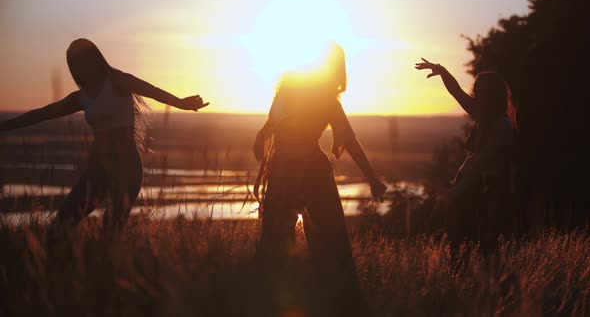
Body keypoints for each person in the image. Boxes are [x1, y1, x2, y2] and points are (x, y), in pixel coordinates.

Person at [0, 38, 209, 236]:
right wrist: (6, 125)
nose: (82, 67)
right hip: (97, 168)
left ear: (96, 59)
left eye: (85, 61)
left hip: (127, 165)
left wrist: (182, 103)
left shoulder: (117, 81)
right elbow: (43, 113)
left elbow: (151, 91)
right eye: (76, 64)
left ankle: (110, 269)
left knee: (111, 228)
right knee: (62, 224)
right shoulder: (80, 97)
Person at [253, 42, 387, 316]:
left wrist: (267, 151)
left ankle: (286, 298)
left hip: (292, 170)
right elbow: (348, 140)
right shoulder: (320, 96)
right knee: (329, 241)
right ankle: (332, 300)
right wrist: (372, 178)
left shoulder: (291, 89)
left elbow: (268, 131)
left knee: (279, 239)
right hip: (307, 170)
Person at [415, 58, 517, 252]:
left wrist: (457, 191)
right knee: (458, 243)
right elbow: (456, 91)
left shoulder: (502, 125)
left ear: (493, 94)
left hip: (486, 189)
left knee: (483, 244)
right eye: (475, 89)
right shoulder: (481, 114)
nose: (475, 94)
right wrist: (442, 70)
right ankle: (460, 280)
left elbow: (481, 162)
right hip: (469, 185)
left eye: (480, 90)